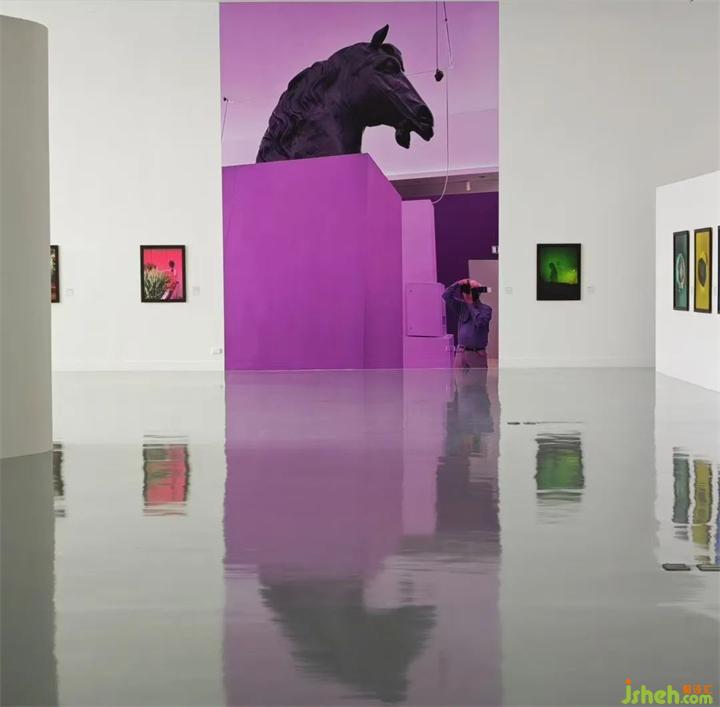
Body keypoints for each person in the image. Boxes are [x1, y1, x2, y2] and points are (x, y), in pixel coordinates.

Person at [442, 278, 492, 369]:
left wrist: (470, 303)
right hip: (461, 353)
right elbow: (446, 295)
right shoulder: (462, 307)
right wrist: (458, 283)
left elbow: (479, 322)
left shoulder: (486, 309)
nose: (467, 293)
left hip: (477, 354)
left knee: (477, 378)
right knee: (458, 378)